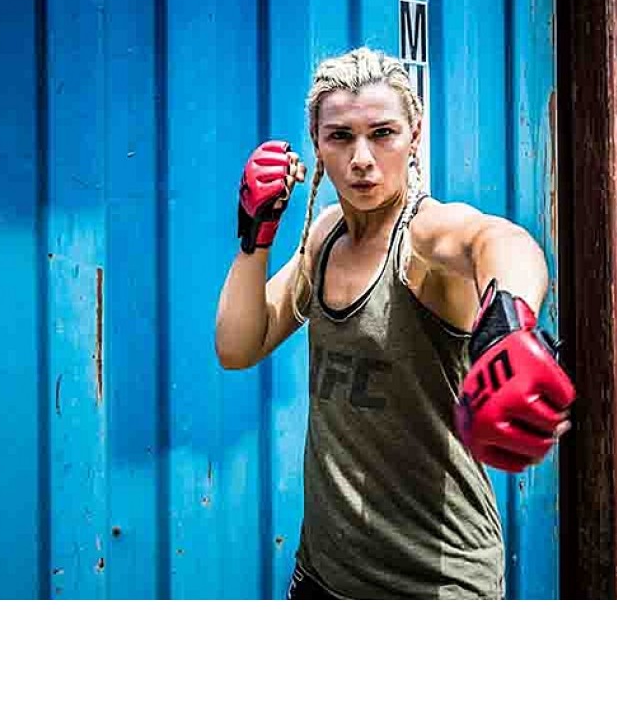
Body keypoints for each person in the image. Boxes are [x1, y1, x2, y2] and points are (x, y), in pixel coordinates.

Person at [214, 47, 575, 599]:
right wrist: (254, 238)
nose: (362, 158)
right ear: (316, 143)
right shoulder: (325, 236)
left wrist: (510, 325)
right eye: (340, 137)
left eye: (382, 133)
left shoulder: (422, 239)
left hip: (434, 584)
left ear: (414, 136)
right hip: (325, 574)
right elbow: (238, 345)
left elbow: (496, 240)